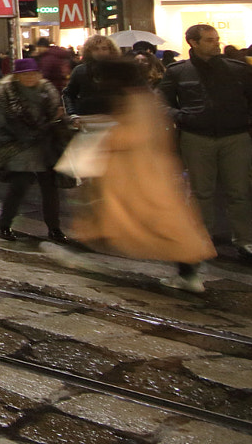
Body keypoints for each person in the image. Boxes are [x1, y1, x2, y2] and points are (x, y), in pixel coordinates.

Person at [70, 58, 216, 292]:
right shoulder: (143, 96)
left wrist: (102, 137)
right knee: (158, 221)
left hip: (138, 171)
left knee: (157, 222)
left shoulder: (134, 100)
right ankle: (188, 272)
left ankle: (188, 273)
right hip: (145, 169)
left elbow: (135, 134)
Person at [158, 23, 252, 262]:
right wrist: (181, 117)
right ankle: (202, 238)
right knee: (201, 192)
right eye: (210, 40)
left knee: (239, 192)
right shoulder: (178, 71)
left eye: (216, 39)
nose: (217, 43)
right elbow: (162, 102)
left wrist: (249, 122)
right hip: (197, 136)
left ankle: (244, 242)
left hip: (234, 136)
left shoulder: (237, 69)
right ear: (193, 43)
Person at [0, 57, 70, 243]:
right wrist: (8, 145)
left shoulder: (47, 93)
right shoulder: (6, 95)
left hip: (45, 146)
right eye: (25, 74)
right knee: (19, 186)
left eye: (33, 73)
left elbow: (55, 120)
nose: (30, 77)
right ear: (17, 77)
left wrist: (61, 122)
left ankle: (54, 228)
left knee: (50, 189)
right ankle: (4, 225)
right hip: (19, 147)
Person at [63, 34, 121, 117]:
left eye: (104, 48)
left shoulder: (119, 71)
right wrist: (72, 114)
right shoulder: (79, 71)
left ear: (110, 50)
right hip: (86, 119)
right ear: (89, 51)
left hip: (114, 119)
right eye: (96, 49)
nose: (100, 52)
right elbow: (69, 94)